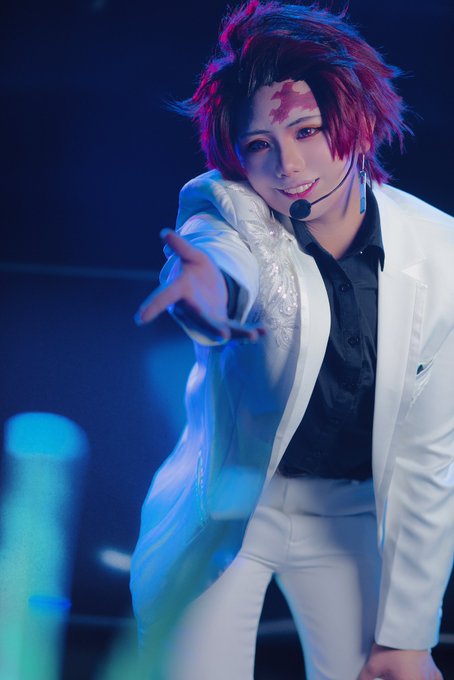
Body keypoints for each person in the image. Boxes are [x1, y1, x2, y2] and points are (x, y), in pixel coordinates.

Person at [129, 1, 454, 678]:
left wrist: (409, 634)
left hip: (352, 516)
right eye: (259, 145)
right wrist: (206, 294)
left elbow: (431, 454)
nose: (289, 164)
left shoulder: (440, 249)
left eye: (308, 130)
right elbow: (217, 257)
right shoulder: (226, 206)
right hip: (229, 507)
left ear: (357, 120)